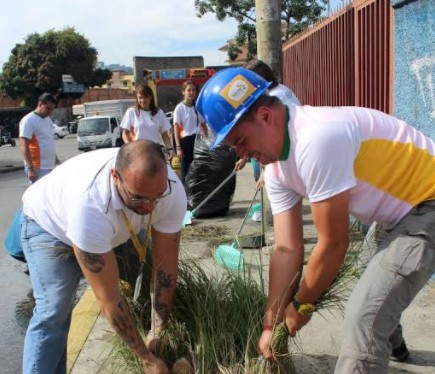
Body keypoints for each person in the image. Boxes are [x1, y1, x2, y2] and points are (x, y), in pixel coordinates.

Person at [196, 67, 435, 374]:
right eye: (234, 147)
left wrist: (301, 306)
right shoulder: (276, 168)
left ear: (266, 116)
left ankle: (376, 339)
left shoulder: (316, 139)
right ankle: (394, 342)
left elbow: (333, 244)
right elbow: (286, 249)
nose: (243, 154)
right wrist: (272, 322)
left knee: (362, 323)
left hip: (427, 203)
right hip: (394, 213)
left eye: (241, 140)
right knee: (370, 280)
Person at [20, 140, 187, 374]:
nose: (150, 207)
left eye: (156, 197)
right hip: (49, 227)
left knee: (147, 272)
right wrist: (146, 359)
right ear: (115, 177)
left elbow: (165, 269)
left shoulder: (171, 190)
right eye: (139, 198)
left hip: (111, 228)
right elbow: (109, 298)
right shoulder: (90, 205)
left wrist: (156, 332)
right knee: (54, 310)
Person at [235, 60, 301, 190]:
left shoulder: (272, 98)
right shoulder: (281, 89)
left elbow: (270, 138)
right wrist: (244, 157)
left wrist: (265, 173)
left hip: (287, 152)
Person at [120, 84, 173, 158]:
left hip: (155, 150)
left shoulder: (159, 112)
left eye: (145, 97)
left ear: (150, 97)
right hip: (137, 151)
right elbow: (125, 133)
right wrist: (129, 147)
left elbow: (164, 134)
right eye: (140, 98)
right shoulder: (131, 112)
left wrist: (170, 149)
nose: (143, 100)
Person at [19, 93, 60, 183]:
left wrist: (56, 161)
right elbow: (24, 146)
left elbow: (49, 141)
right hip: (37, 167)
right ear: (40, 104)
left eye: (52, 109)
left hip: (50, 166)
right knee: (39, 195)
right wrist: (30, 169)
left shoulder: (48, 119)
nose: (50, 111)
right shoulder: (29, 120)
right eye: (48, 108)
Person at [173, 80, 209, 184]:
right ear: (183, 92)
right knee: (186, 169)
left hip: (197, 140)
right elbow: (176, 128)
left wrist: (206, 141)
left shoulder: (197, 107)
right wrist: (178, 147)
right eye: (189, 90)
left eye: (193, 90)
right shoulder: (179, 108)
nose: (192, 92)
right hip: (185, 142)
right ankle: (185, 195)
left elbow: (203, 125)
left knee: (199, 168)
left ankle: (197, 193)